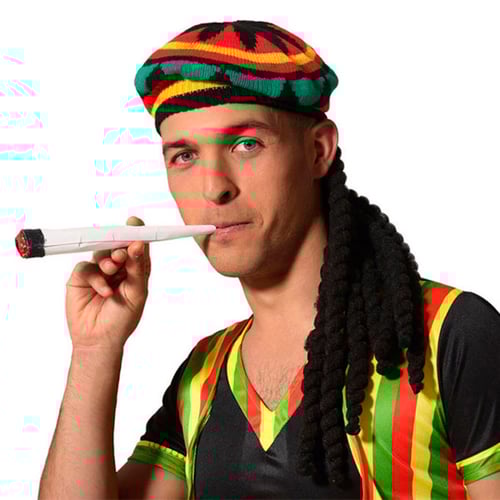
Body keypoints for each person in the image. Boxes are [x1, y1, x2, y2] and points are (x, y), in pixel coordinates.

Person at [38, 20, 500, 500]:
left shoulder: (450, 336)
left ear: (318, 151)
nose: (213, 188)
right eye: (185, 156)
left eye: (246, 145)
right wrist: (95, 351)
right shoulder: (203, 375)